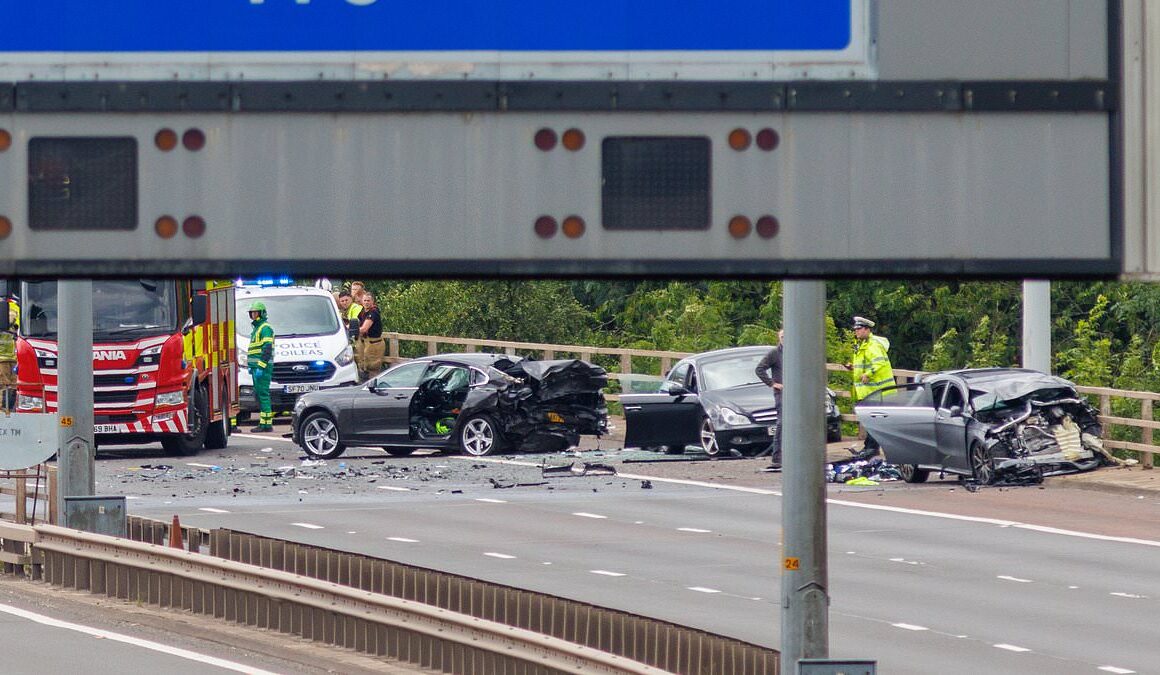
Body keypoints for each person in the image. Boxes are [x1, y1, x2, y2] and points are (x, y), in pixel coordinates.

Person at [845, 316, 894, 457]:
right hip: (866, 391)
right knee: (869, 420)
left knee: (873, 421)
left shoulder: (873, 345)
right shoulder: (862, 345)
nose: (856, 332)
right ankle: (869, 447)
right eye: (855, 330)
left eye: (859, 329)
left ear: (867, 329)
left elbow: (879, 363)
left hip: (876, 390)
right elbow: (865, 365)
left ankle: (871, 449)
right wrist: (853, 367)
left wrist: (868, 374)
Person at [755, 329, 784, 471]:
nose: (785, 339)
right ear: (779, 338)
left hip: (796, 394)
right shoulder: (774, 353)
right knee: (782, 424)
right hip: (782, 394)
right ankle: (777, 458)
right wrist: (772, 383)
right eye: (782, 337)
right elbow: (759, 369)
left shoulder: (796, 352)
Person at [245, 301, 276, 432]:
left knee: (263, 394)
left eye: (255, 312)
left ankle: (266, 425)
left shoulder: (265, 328)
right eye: (252, 313)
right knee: (259, 394)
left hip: (262, 368)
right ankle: (264, 423)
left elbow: (267, 349)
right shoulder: (257, 328)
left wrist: (261, 366)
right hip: (256, 367)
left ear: (262, 313)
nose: (253, 315)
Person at [356, 293, 385, 381]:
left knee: (373, 367)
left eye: (368, 300)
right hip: (364, 342)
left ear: (372, 301)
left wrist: (351, 329)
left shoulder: (373, 312)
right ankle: (363, 385)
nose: (366, 302)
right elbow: (357, 321)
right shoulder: (363, 311)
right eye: (364, 300)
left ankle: (374, 387)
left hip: (374, 343)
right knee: (362, 364)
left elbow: (364, 328)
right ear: (362, 301)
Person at [0, 298, 17, 409]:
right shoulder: (17, 306)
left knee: (4, 385)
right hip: (14, 357)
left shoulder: (6, 308)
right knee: (13, 386)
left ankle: (4, 412)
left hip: (3, 358)